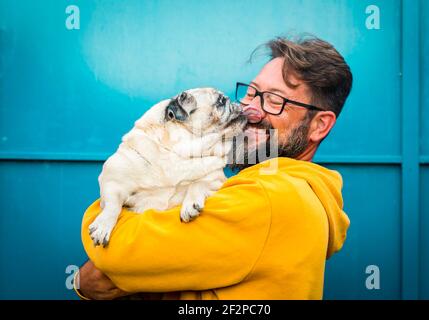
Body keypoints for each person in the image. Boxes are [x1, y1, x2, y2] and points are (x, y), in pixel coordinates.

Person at [75, 35, 353, 300]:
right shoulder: (280, 188)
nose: (248, 110)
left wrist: (101, 211)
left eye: (274, 100)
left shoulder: (269, 198)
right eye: (251, 92)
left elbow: (116, 255)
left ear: (320, 125)